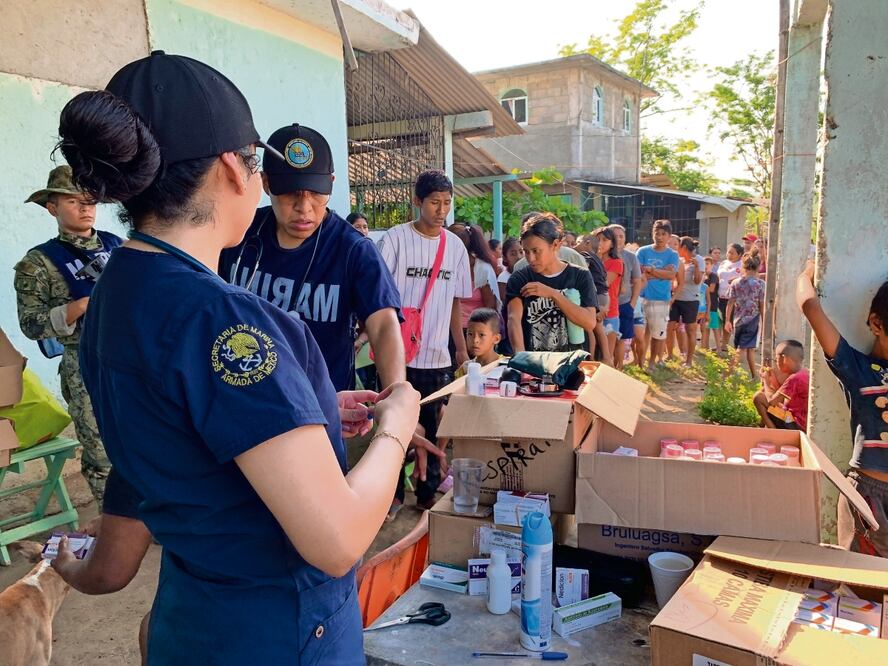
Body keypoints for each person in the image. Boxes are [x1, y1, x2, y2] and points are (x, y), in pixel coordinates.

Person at [58, 51, 422, 663]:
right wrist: (397, 427)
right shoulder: (222, 316)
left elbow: (178, 423)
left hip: (193, 613)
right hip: (278, 628)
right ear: (235, 167)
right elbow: (336, 539)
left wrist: (309, 409)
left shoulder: (116, 289)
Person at [219, 124, 402, 393]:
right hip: (245, 398)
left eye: (316, 194)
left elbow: (384, 324)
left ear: (331, 183)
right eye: (291, 193)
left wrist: (396, 393)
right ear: (267, 184)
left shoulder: (353, 250)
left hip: (322, 410)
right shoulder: (240, 233)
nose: (304, 208)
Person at [14, 165, 123, 504]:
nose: (86, 208)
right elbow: (31, 324)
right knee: (101, 452)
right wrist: (76, 308)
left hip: (131, 358)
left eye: (91, 201)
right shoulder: (39, 263)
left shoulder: (117, 245)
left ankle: (155, 519)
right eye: (75, 201)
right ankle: (113, 529)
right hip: (84, 364)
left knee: (146, 441)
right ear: (52, 207)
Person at [378, 170, 472, 513]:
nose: (441, 210)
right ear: (417, 201)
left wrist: (459, 346)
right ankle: (391, 495)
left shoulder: (456, 247)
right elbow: (380, 295)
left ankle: (427, 491)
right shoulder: (395, 240)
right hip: (397, 355)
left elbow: (456, 300)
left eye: (447, 203)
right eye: (434, 202)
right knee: (392, 428)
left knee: (434, 429)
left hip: (437, 356)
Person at [797, 265, 888, 557]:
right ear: (877, 324)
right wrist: (807, 272)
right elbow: (811, 306)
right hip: (866, 500)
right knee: (862, 591)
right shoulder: (859, 368)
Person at [506, 213, 598, 354]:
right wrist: (521, 358)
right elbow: (513, 319)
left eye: (536, 251)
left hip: (571, 364)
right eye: (526, 252)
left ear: (555, 245)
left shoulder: (580, 276)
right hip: (534, 364)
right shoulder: (520, 278)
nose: (531, 258)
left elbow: (589, 322)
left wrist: (553, 294)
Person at [636, 220, 679, 370]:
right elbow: (639, 273)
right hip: (641, 297)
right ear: (652, 234)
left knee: (658, 333)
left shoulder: (672, 254)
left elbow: (672, 275)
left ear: (668, 236)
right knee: (640, 333)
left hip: (661, 299)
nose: (659, 237)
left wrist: (651, 271)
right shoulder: (642, 251)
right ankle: (639, 361)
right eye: (657, 233)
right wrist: (661, 272)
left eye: (663, 234)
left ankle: (652, 362)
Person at [451, 223, 500, 329]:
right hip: (446, 330)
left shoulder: (482, 269)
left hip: (474, 332)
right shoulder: (445, 266)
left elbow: (490, 307)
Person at [754, 340, 809, 430]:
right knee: (764, 392)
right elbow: (781, 396)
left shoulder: (794, 378)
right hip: (797, 420)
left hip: (793, 423)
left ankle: (775, 434)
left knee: (758, 397)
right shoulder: (804, 373)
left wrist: (766, 381)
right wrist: (772, 380)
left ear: (784, 359)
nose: (776, 363)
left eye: (776, 360)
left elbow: (771, 401)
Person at [725, 253, 765, 378]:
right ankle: (726, 375)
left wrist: (727, 320)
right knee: (743, 349)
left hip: (738, 320)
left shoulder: (736, 282)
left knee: (748, 349)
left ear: (743, 266)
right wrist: (765, 322)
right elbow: (761, 305)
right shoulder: (760, 284)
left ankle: (754, 376)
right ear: (758, 267)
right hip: (753, 320)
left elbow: (730, 302)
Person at [668, 237, 705, 367]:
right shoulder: (680, 260)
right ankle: (670, 356)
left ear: (683, 247)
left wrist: (695, 267)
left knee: (690, 330)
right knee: (670, 326)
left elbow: (697, 281)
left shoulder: (699, 260)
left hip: (690, 300)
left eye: (677, 246)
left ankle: (689, 360)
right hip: (676, 299)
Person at [610, 224, 642, 370]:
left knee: (622, 338)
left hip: (624, 304)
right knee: (610, 338)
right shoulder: (603, 254)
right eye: (615, 236)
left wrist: (632, 303)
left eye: (621, 236)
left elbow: (637, 280)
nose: (618, 239)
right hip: (608, 305)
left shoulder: (631, 257)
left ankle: (620, 367)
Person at [593, 226, 623, 366]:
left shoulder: (616, 262)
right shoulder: (590, 260)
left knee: (607, 355)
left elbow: (604, 284)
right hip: (591, 311)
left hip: (609, 312)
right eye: (597, 239)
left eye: (605, 240)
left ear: (612, 243)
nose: (600, 243)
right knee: (593, 355)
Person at [716, 243, 744, 353]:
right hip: (720, 296)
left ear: (739, 254)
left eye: (732, 253)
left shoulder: (741, 265)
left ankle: (725, 344)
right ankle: (720, 343)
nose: (729, 255)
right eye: (728, 252)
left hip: (733, 298)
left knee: (729, 320)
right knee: (720, 319)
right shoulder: (723, 263)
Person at [701, 256, 721, 351]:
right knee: (705, 327)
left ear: (712, 265)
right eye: (704, 263)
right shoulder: (701, 276)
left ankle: (719, 348)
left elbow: (712, 289)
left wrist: (701, 288)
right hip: (703, 305)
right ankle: (705, 347)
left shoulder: (713, 276)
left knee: (715, 327)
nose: (705, 266)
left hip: (712, 305)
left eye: (708, 264)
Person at [496, 237, 523, 306]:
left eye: (521, 252)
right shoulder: (503, 278)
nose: (519, 257)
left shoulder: (527, 274)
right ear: (505, 258)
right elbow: (507, 303)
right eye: (513, 254)